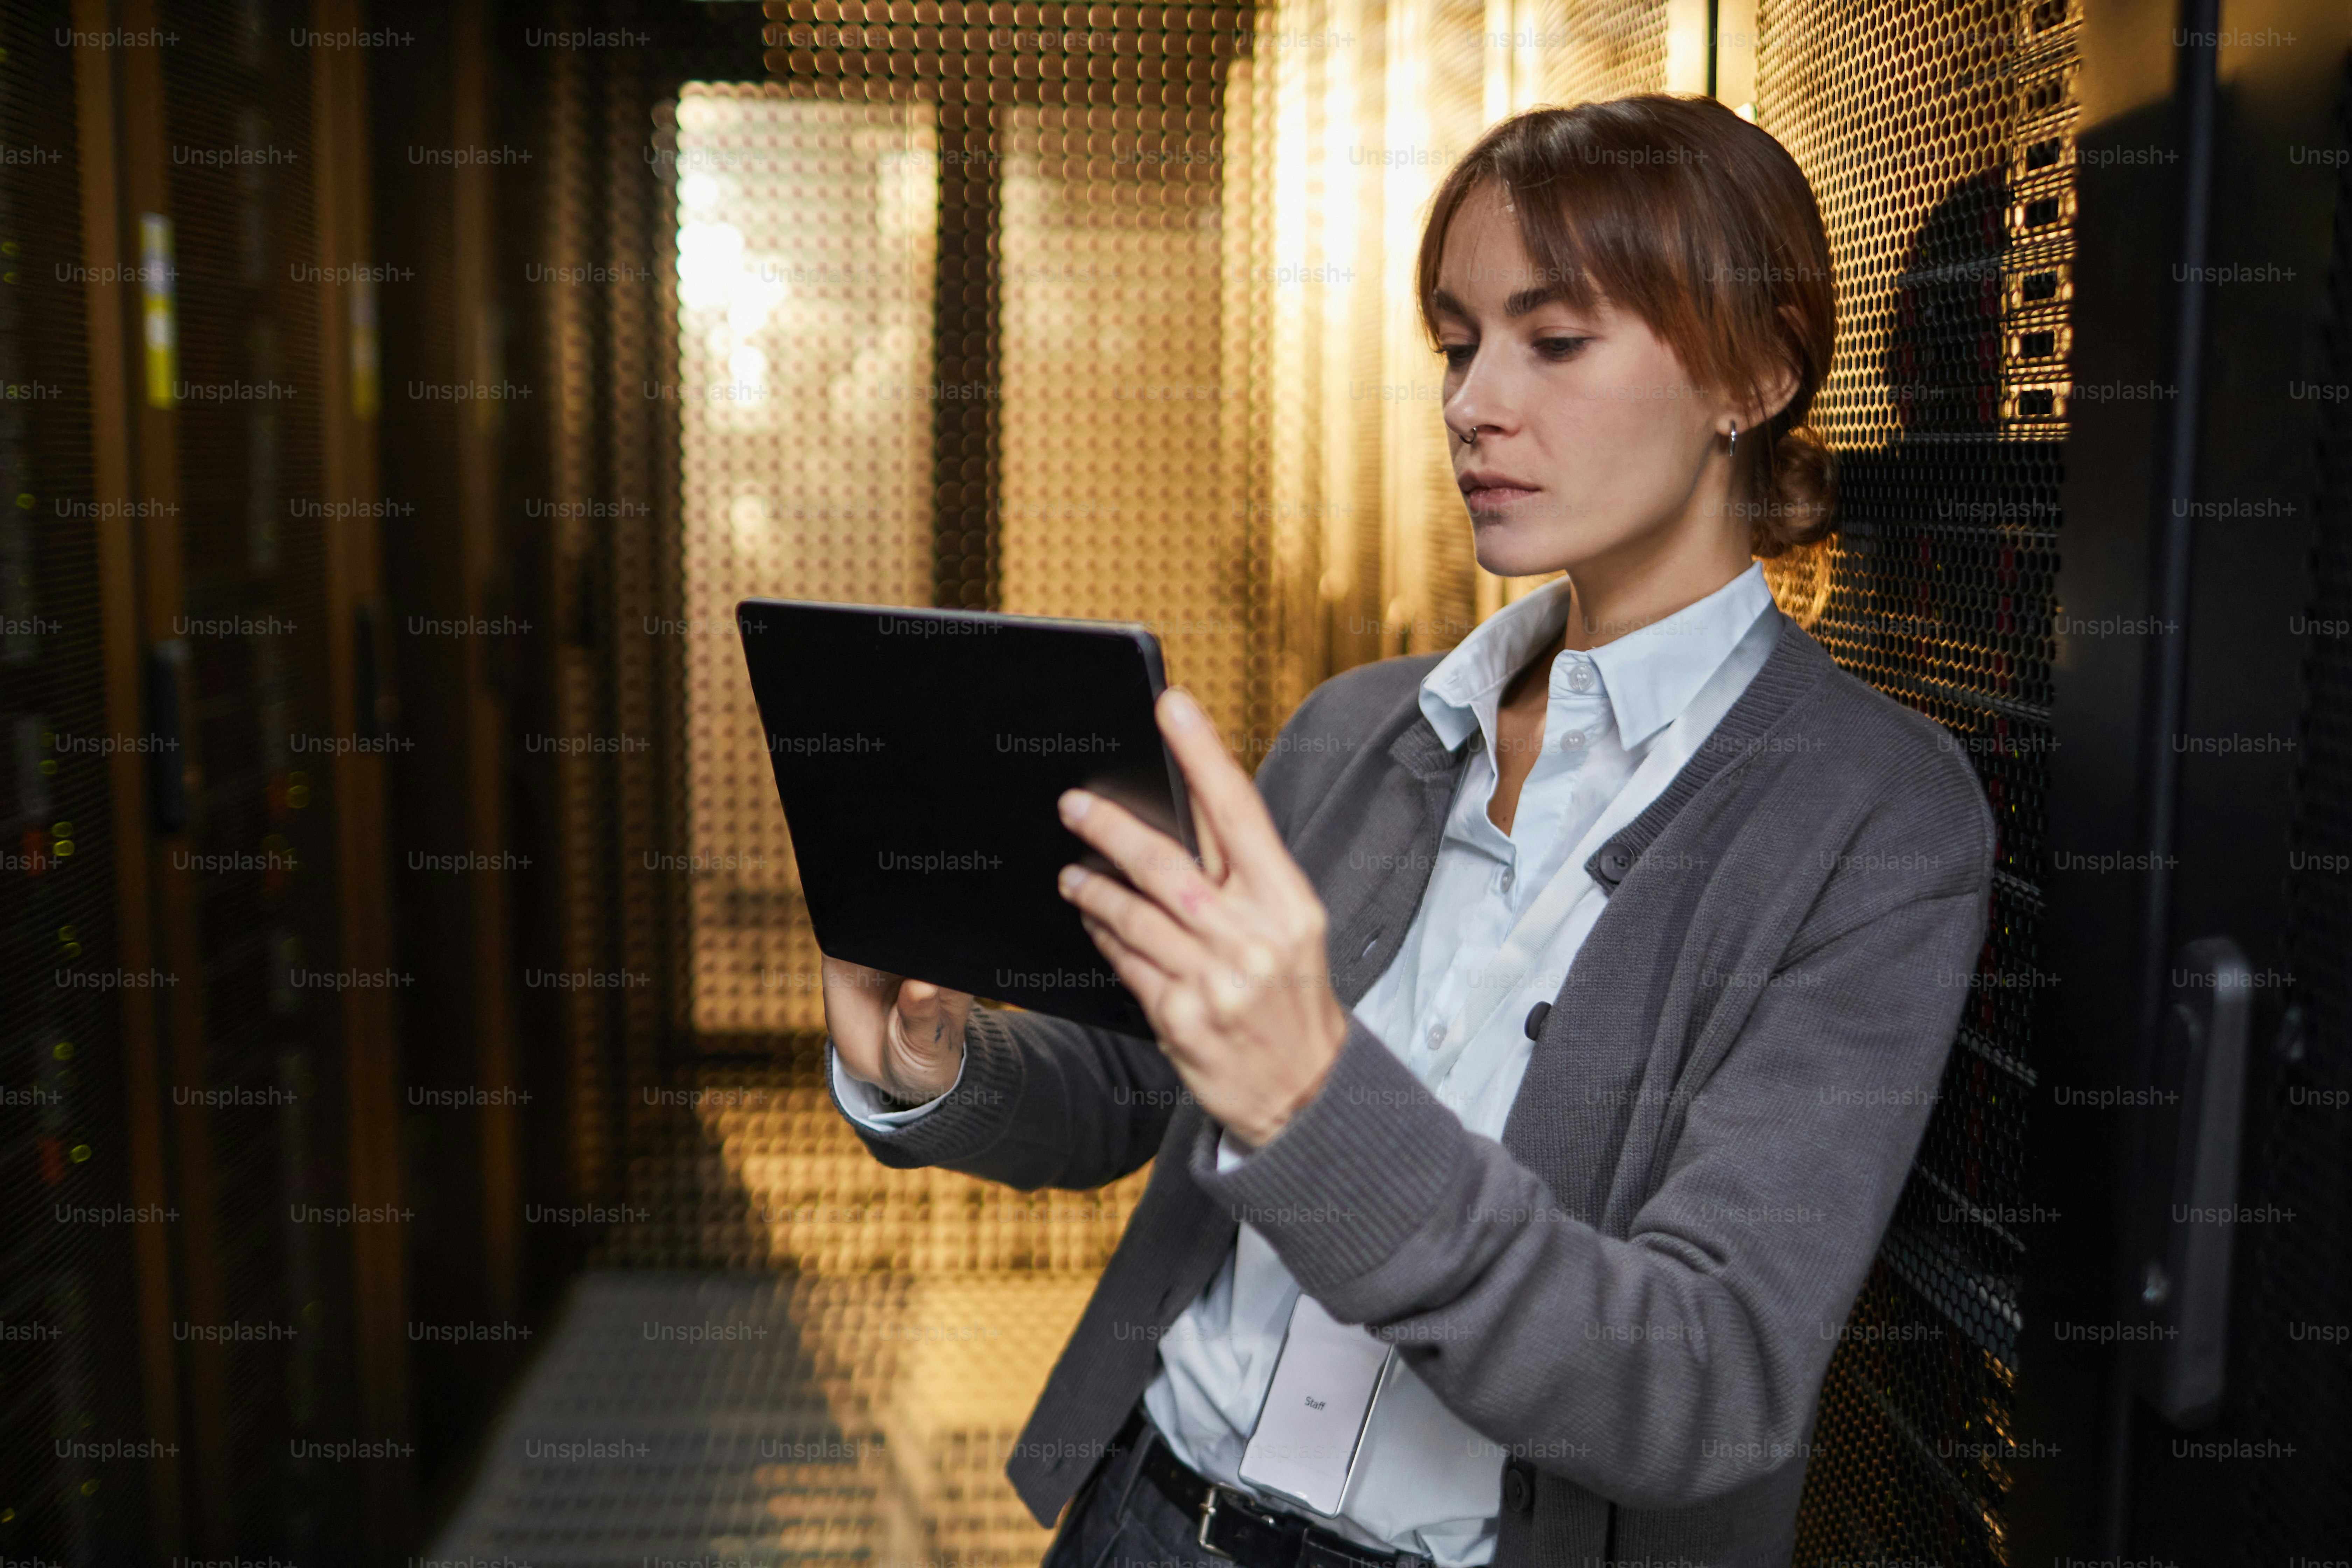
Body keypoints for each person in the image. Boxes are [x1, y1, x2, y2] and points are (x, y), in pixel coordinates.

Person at [821, 94, 1993, 1568]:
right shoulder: (1364, 727)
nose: (1472, 401)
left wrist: (1319, 1100)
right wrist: (937, 1067)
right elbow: (1150, 1086)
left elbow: (1707, 1378)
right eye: (1459, 343)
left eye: (1554, 342)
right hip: (1150, 1514)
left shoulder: (1873, 819)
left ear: (1751, 370)